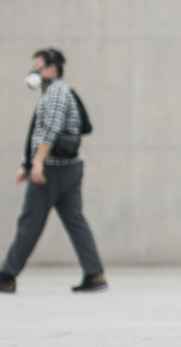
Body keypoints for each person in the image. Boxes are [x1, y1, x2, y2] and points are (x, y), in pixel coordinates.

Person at [0, 48, 106, 294]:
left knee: (30, 221)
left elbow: (50, 130)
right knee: (75, 220)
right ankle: (94, 274)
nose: (34, 71)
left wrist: (37, 163)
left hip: (52, 170)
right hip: (68, 169)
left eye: (38, 66)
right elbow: (38, 133)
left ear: (52, 68)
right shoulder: (54, 93)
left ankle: (7, 275)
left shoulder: (56, 93)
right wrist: (27, 163)